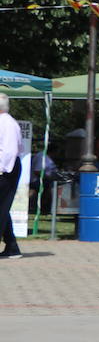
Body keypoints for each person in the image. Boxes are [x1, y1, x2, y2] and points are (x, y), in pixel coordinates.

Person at [0, 95, 22, 259]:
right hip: (6, 168)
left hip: (6, 169)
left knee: (1, 207)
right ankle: (12, 246)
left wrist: (1, 170)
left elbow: (9, 151)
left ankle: (12, 246)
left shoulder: (7, 123)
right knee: (2, 207)